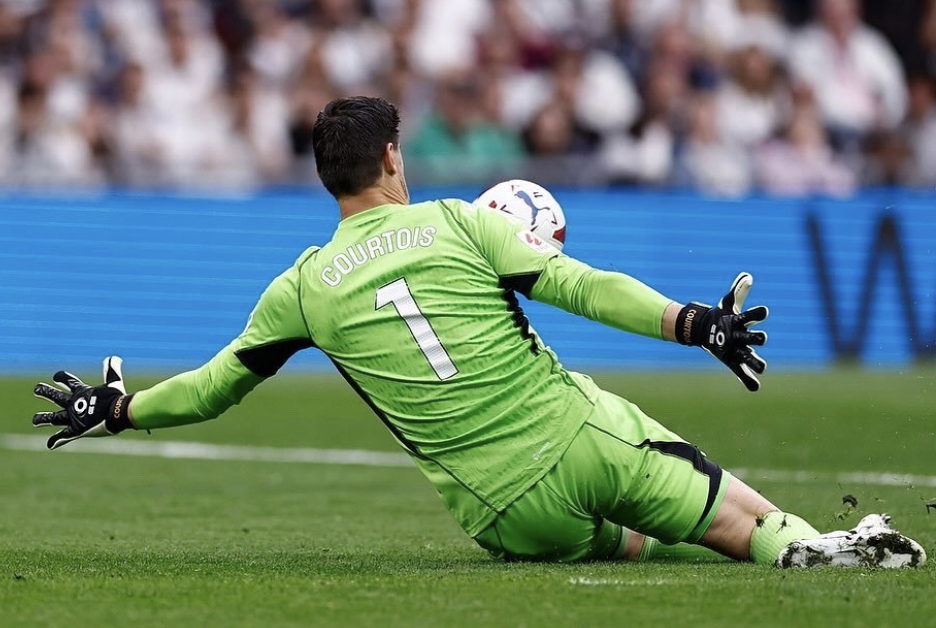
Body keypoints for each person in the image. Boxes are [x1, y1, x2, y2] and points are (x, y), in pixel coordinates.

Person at [31, 96, 925, 569]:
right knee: (739, 521)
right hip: (579, 441)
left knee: (641, 545)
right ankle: (812, 547)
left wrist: (123, 411)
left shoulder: (300, 287)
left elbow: (216, 384)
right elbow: (580, 287)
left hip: (499, 515)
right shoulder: (458, 222)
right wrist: (694, 323)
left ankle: (685, 537)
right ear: (389, 157)